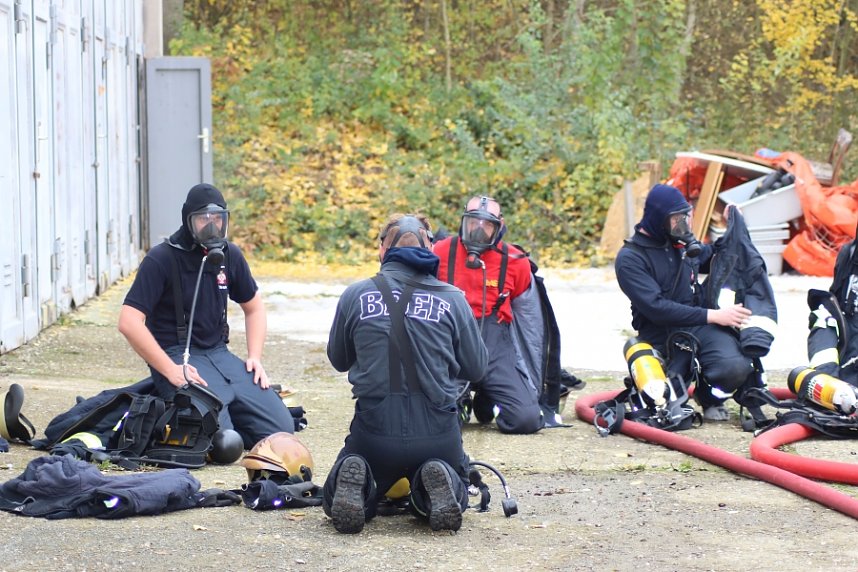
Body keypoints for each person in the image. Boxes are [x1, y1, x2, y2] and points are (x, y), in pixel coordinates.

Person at [323, 213, 487, 534]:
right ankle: (434, 478)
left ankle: (360, 479)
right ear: (430, 248)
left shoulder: (355, 295)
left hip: (374, 432)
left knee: (336, 495)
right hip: (438, 432)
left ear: (383, 249)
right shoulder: (452, 298)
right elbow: (477, 369)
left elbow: (339, 360)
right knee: (457, 484)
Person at [118, 183, 295, 450]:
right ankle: (182, 405)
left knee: (280, 432)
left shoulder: (229, 255)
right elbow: (129, 321)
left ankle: (225, 411)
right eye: (203, 219)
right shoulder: (161, 259)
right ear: (188, 221)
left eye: (218, 219)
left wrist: (255, 357)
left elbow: (254, 307)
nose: (211, 226)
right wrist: (170, 370)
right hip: (177, 356)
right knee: (222, 442)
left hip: (219, 354)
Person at [614, 183, 761, 421]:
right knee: (662, 398)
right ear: (658, 218)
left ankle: (708, 394)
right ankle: (660, 375)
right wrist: (713, 315)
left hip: (697, 326)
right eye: (677, 218)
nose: (683, 224)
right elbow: (656, 309)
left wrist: (734, 225)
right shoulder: (630, 259)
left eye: (686, 216)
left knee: (735, 368)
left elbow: (719, 256)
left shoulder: (680, 245)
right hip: (660, 333)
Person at [433, 196, 543, 434]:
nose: (479, 230)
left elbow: (530, 323)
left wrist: (535, 382)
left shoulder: (516, 261)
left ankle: (488, 397)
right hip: (448, 345)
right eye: (473, 223)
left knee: (526, 420)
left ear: (499, 226)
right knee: (437, 421)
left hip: (495, 343)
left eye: (487, 225)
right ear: (463, 222)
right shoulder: (439, 253)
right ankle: (459, 401)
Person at [807, 219, 858, 385]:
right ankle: (826, 381)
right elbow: (835, 303)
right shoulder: (849, 254)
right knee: (823, 319)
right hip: (849, 339)